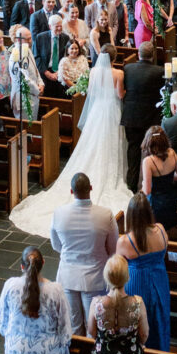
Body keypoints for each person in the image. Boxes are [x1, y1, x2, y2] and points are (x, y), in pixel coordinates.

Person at [11, 52, 132, 236]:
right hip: (112, 110)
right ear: (114, 58)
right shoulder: (118, 74)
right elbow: (119, 94)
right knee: (111, 141)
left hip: (97, 110)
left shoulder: (93, 72)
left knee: (92, 142)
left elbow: (91, 93)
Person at [49, 172, 119, 336]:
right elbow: (113, 248)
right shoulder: (106, 214)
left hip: (67, 276)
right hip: (94, 277)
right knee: (93, 327)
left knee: (73, 326)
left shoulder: (59, 213)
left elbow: (56, 245)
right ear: (91, 188)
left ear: (72, 192)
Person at [116, 192, 170, 351]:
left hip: (137, 286)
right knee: (160, 317)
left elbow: (118, 269)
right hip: (159, 281)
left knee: (137, 322)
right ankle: (161, 353)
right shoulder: (160, 229)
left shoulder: (125, 241)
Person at [122, 42, 164, 193]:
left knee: (133, 148)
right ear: (152, 55)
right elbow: (163, 93)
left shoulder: (128, 68)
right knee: (151, 149)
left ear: (138, 54)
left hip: (131, 116)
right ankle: (149, 183)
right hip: (150, 117)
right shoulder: (159, 71)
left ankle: (131, 184)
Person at [141, 126, 177, 230]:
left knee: (154, 230)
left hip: (155, 204)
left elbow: (147, 191)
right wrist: (166, 179)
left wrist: (143, 185)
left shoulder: (148, 161)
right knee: (166, 229)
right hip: (170, 199)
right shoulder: (172, 153)